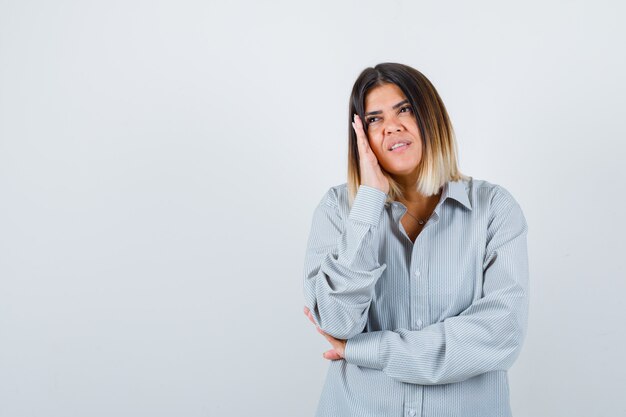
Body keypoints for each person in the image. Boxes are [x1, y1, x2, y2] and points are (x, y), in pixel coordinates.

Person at [302, 62, 529, 417]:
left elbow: (499, 336)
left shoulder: (494, 209)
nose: (392, 126)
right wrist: (368, 202)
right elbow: (336, 323)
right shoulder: (337, 209)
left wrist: (366, 349)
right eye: (374, 119)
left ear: (431, 117)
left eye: (404, 109)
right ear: (360, 135)